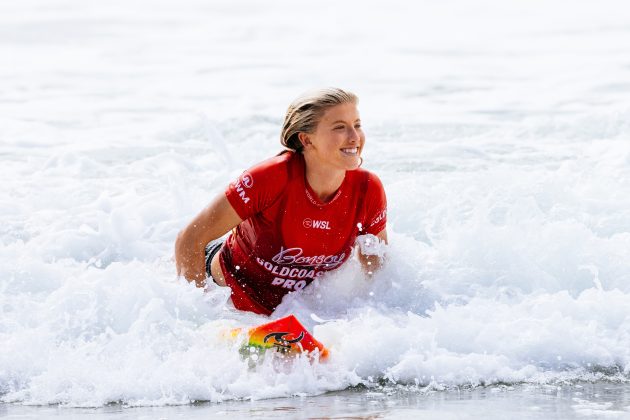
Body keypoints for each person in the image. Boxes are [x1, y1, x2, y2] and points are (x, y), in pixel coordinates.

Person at [175, 88, 387, 315]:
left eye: (357, 125)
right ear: (306, 139)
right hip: (228, 301)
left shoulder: (368, 189)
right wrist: (202, 316)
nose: (355, 137)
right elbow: (190, 239)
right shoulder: (269, 178)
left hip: (295, 311)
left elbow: (375, 268)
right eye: (339, 127)